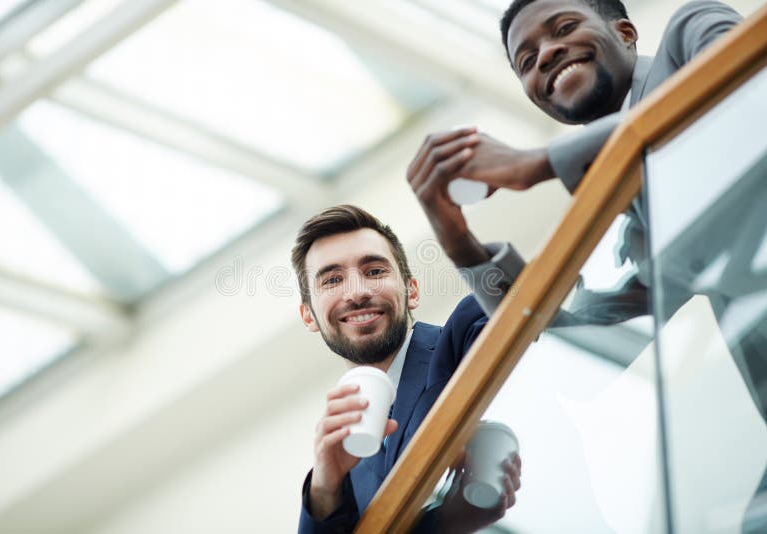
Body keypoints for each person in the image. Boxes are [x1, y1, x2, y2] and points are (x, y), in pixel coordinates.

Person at [408, 1, 767, 531]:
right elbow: (559, 330)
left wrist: (538, 163)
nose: (546, 54)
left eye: (564, 29)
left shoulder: (692, 30)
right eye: (527, 60)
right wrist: (457, 239)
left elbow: (747, 96)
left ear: (624, 33)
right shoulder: (640, 220)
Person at [292, 205, 522, 534]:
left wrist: (459, 240)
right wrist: (324, 491)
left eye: (374, 271)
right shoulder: (348, 467)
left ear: (411, 291)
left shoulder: (461, 340)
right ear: (309, 316)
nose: (356, 292)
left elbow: (516, 295)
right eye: (332, 280)